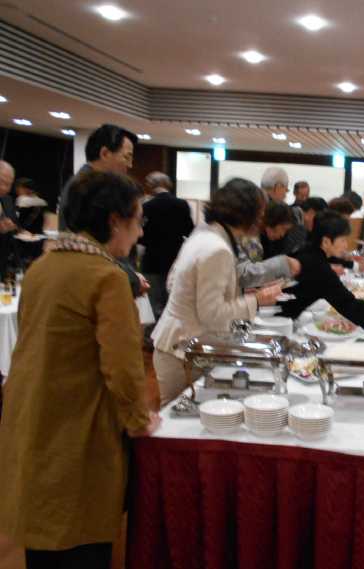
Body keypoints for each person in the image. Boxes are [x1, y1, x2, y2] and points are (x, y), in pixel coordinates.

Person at [0, 170, 160, 569]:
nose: (140, 232)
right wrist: (139, 420)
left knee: (42, 561)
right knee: (83, 558)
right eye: (137, 220)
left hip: (34, 424)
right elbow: (123, 369)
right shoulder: (106, 277)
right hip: (79, 433)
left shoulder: (43, 267)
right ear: (114, 221)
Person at [151, 178, 283, 405]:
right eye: (260, 212)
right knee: (181, 419)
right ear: (248, 213)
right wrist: (257, 300)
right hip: (183, 350)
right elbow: (212, 313)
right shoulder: (217, 248)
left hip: (177, 344)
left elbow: (173, 282)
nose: (262, 219)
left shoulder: (205, 232)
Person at [58, 124, 146, 297]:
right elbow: (89, 248)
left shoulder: (97, 187)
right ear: (105, 153)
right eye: (126, 157)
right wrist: (130, 278)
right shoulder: (82, 190)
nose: (130, 165)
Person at [280, 209, 364, 328]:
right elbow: (348, 303)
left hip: (286, 314)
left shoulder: (309, 251)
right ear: (326, 242)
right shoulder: (319, 268)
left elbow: (332, 260)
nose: (346, 246)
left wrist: (351, 262)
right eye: (342, 240)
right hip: (278, 320)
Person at [139, 172, 194, 322]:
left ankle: (153, 334)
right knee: (173, 304)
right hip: (175, 260)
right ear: (167, 184)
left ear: (151, 186)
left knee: (153, 304)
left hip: (152, 261)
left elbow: (141, 236)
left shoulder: (146, 206)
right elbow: (190, 231)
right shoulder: (181, 205)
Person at [261, 166, 306, 252]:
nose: (285, 195)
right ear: (278, 187)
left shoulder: (254, 208)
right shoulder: (283, 213)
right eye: (285, 190)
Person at [0, 161, 22, 276]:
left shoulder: (7, 201)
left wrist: (19, 231)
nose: (4, 188)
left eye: (8, 184)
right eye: (2, 182)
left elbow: (14, 229)